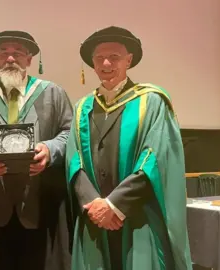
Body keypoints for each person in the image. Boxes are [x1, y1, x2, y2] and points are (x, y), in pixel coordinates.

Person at [66, 26, 193, 269]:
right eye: (99, 58)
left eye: (114, 57)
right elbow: (74, 160)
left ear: (129, 60)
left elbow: (153, 159)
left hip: (136, 216)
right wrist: (95, 205)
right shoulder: (83, 107)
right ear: (92, 64)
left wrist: (114, 205)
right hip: (95, 219)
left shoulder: (152, 101)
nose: (106, 63)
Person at [0, 30, 73, 270]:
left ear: (30, 59)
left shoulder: (53, 93)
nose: (11, 58)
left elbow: (69, 134)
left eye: (18, 53)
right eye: (4, 53)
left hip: (41, 200)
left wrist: (50, 150)